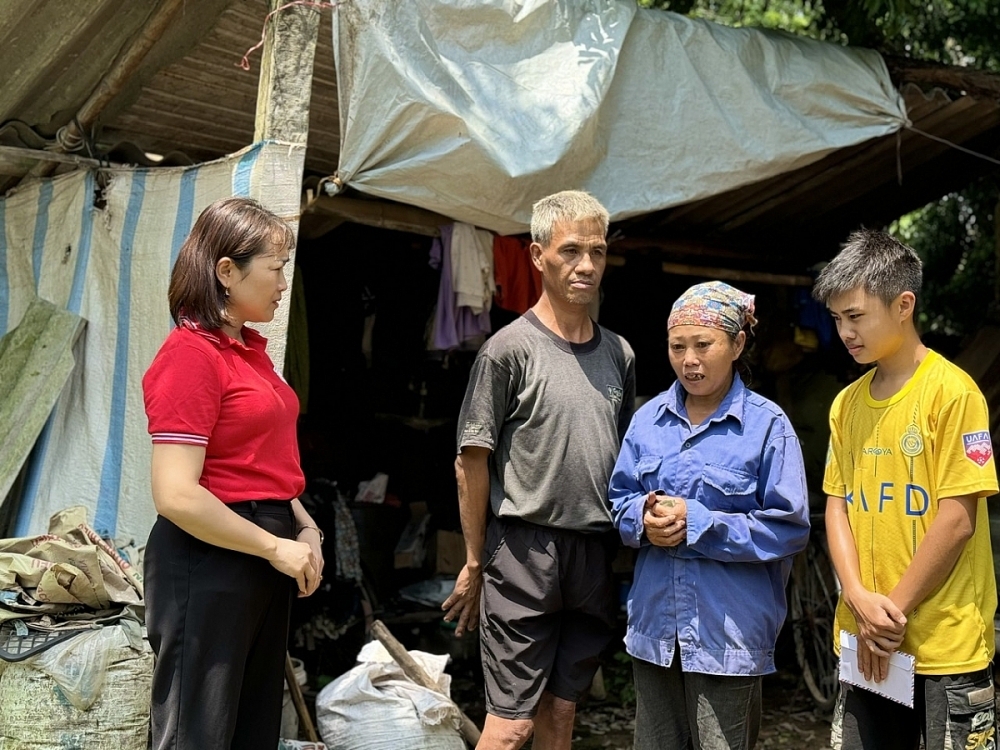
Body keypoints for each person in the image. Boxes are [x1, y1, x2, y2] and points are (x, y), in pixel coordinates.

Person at [441, 190, 635, 750]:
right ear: (537, 256)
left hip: (592, 552)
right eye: (571, 250)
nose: (587, 266)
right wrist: (475, 560)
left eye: (597, 252)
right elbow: (469, 462)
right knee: (511, 727)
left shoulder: (619, 354)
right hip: (522, 551)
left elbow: (622, 456)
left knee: (561, 716)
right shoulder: (508, 351)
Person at [142, 197, 325, 750]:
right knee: (198, 733)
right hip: (210, 558)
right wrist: (274, 547)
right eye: (275, 268)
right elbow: (175, 495)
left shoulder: (251, 352)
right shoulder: (191, 355)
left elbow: (263, 467)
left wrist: (305, 529)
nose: (283, 282)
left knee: (250, 730)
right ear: (227, 271)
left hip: (262, 551)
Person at [812, 229, 998, 750]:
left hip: (943, 644)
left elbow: (957, 519)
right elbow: (837, 507)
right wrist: (857, 599)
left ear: (903, 305)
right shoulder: (845, 405)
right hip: (865, 641)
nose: (845, 332)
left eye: (856, 316)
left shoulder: (954, 394)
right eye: (837, 320)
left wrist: (889, 612)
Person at [609, 281, 810, 750]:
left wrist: (700, 524)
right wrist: (642, 519)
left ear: (737, 344)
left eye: (704, 345)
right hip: (655, 631)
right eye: (678, 347)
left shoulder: (768, 426)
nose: (689, 360)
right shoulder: (647, 420)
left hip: (729, 635)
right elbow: (617, 501)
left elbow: (789, 528)